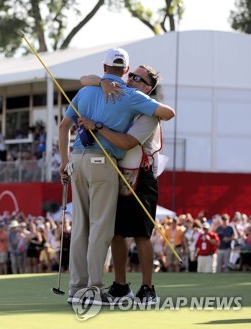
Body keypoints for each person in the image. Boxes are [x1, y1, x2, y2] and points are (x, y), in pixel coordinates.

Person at [58, 48, 175, 305]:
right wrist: (104, 82)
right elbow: (87, 79)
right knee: (107, 230)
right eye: (131, 74)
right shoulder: (128, 94)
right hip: (109, 167)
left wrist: (95, 128)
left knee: (131, 233)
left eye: (139, 78)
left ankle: (139, 288)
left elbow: (128, 140)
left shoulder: (137, 102)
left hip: (135, 174)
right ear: (124, 71)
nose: (133, 79)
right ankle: (101, 288)